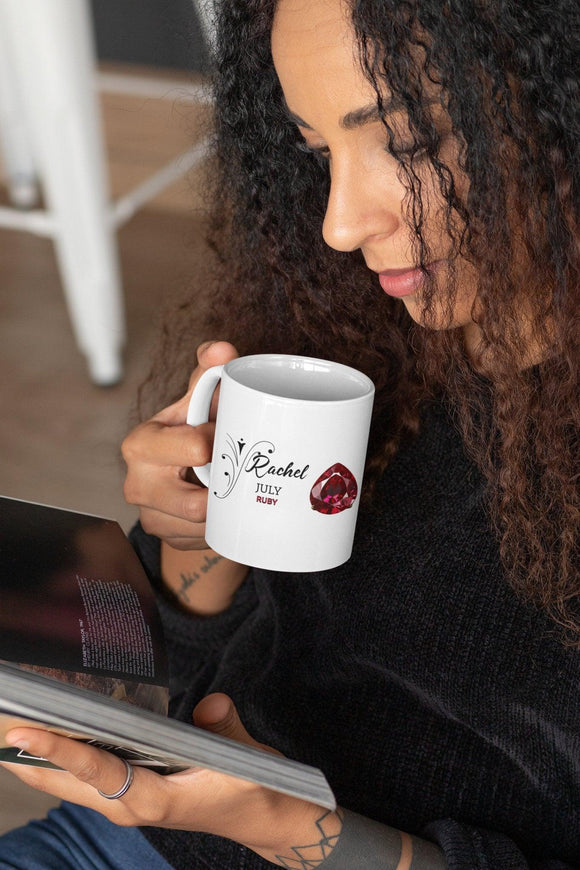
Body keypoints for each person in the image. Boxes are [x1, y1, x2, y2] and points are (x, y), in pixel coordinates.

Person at [1, 0, 579, 867]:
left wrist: (286, 827)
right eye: (316, 151)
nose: (339, 226)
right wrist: (194, 543)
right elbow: (183, 675)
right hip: (137, 839)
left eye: (410, 142)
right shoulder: (352, 329)